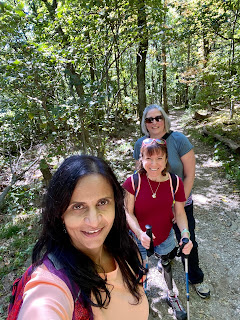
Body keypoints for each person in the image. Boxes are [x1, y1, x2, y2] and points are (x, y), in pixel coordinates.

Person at [16, 155, 149, 320]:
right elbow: (43, 307)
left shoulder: (125, 249)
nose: (93, 221)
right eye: (78, 206)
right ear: (60, 214)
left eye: (102, 202)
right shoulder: (53, 282)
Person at [133, 104, 210, 299]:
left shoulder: (179, 140)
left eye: (158, 118)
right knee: (158, 237)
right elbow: (140, 174)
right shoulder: (140, 143)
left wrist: (179, 206)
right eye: (149, 119)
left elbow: (190, 174)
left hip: (180, 202)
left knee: (187, 238)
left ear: (164, 119)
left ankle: (196, 277)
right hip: (155, 205)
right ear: (145, 123)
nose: (154, 122)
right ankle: (164, 258)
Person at [123, 138, 193, 320]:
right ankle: (142, 298)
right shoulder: (133, 182)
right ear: (141, 159)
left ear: (166, 159)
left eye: (159, 158)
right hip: (138, 237)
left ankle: (171, 295)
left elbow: (179, 212)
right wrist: (139, 233)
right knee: (141, 268)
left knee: (167, 263)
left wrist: (186, 235)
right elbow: (128, 213)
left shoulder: (175, 182)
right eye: (149, 158)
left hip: (166, 234)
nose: (154, 164)